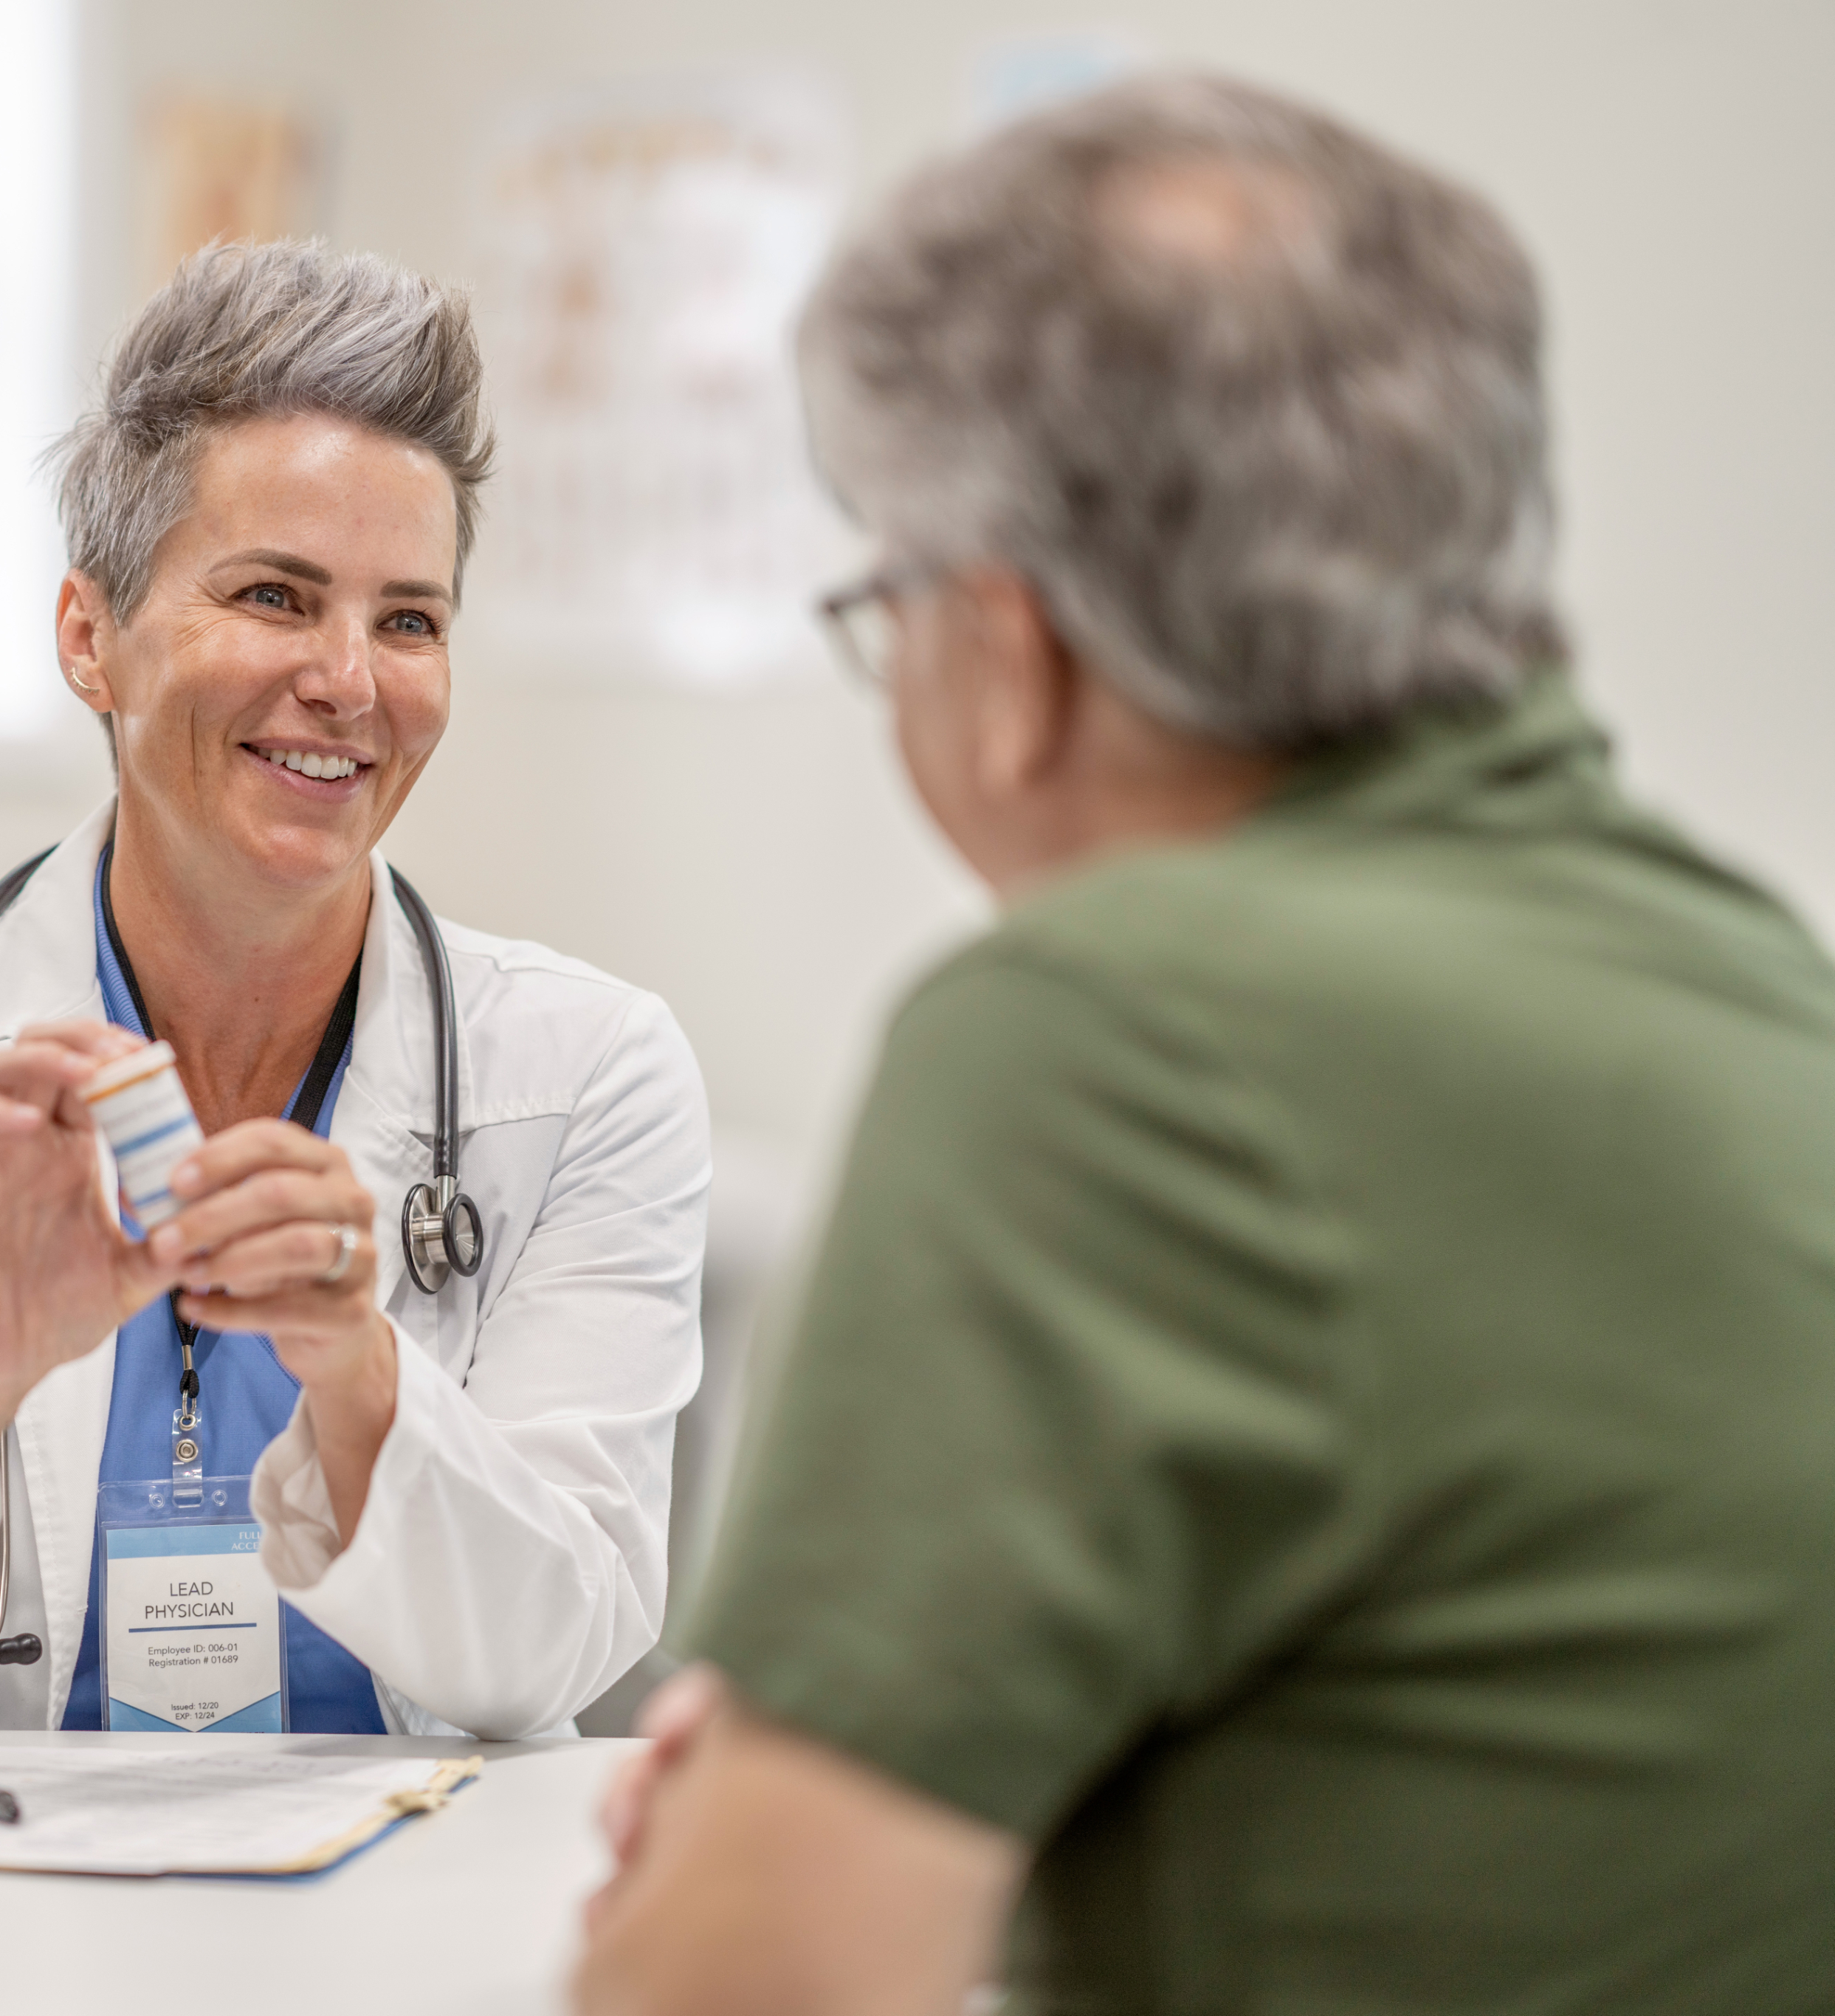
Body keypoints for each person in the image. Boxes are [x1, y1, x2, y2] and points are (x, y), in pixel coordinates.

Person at [580, 74, 1835, 2015]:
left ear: (1005, 652)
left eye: (883, 605)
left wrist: (720, 1867)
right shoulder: (1751, 982)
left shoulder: (1100, 1035)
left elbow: (744, 1994)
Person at [0, 241, 708, 1742]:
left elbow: (546, 1661)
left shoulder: (590, 1073)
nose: (349, 679)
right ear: (90, 636)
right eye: (275, 595)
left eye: (407, 619)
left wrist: (355, 1365)